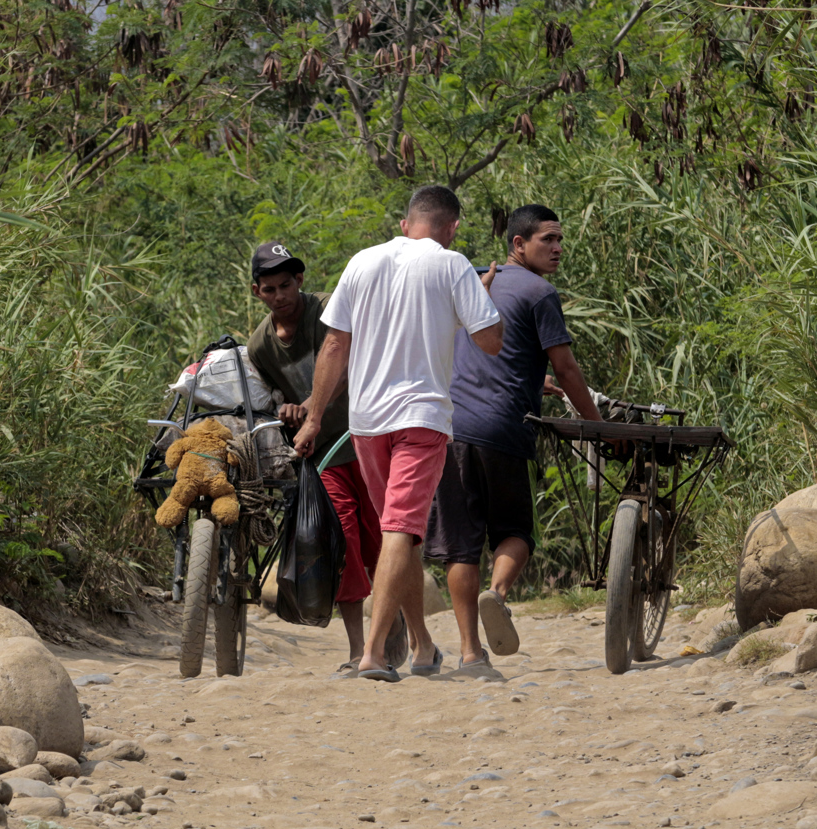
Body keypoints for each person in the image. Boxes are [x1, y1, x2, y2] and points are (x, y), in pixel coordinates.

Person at [293, 185, 505, 682]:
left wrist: (315, 416)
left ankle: (423, 645)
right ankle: (371, 653)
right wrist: (481, 295)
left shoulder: (362, 261)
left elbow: (333, 346)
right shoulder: (452, 264)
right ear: (451, 228)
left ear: (406, 222)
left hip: (365, 422)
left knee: (400, 535)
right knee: (400, 531)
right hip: (421, 418)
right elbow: (490, 342)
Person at [424, 203, 604, 667]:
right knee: (516, 532)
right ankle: (498, 593)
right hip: (501, 428)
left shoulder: (473, 280)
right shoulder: (541, 292)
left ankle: (469, 653)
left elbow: (488, 352)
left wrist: (531, 378)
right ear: (518, 244)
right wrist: (596, 426)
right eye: (548, 239)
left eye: (560, 239)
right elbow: (565, 366)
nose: (558, 248)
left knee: (461, 546)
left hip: (449, 428)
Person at [245, 241, 408, 674]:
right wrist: (289, 409)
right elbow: (271, 396)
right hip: (322, 457)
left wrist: (311, 406)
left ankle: (397, 623)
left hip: (367, 437)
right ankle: (359, 649)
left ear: (299, 280)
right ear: (257, 292)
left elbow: (349, 363)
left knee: (383, 540)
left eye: (286, 284)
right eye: (270, 288)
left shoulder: (328, 311)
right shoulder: (260, 345)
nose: (280, 295)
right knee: (344, 543)